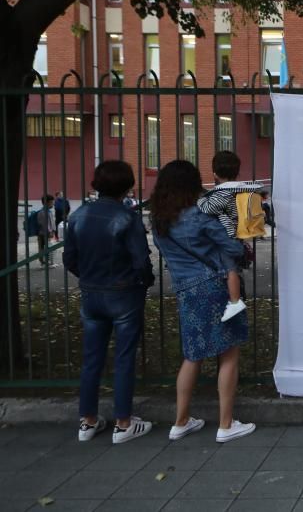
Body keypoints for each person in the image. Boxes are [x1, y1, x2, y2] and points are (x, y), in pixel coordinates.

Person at [150, 159, 256, 443]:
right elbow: (232, 247)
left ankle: (180, 421)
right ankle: (225, 424)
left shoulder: (158, 220)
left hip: (185, 289)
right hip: (214, 287)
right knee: (229, 353)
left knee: (192, 355)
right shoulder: (198, 216)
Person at [64, 161, 155, 444]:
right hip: (124, 292)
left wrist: (88, 277)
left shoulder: (78, 215)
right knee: (124, 357)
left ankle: (88, 420)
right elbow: (141, 260)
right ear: (127, 186)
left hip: (91, 291)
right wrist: (144, 280)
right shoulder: (128, 218)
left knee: (91, 358)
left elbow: (70, 259)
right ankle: (123, 422)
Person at [197, 151, 265, 323]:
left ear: (215, 173)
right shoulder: (240, 189)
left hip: (228, 233)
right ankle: (235, 299)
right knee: (233, 267)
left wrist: (200, 200)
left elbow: (207, 208)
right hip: (237, 231)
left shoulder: (222, 193)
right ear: (237, 171)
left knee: (230, 269)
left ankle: (234, 302)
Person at [36, 194, 56, 267]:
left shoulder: (48, 211)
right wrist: (50, 232)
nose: (53, 203)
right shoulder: (43, 212)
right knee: (44, 248)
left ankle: (47, 262)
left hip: (46, 233)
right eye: (52, 202)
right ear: (47, 202)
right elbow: (45, 224)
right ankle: (44, 262)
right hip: (44, 233)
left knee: (47, 248)